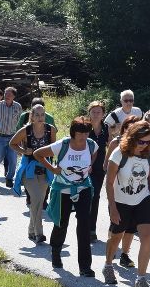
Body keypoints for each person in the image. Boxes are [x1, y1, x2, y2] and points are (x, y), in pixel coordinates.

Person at [34, 117, 98, 277]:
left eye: (86, 133)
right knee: (61, 224)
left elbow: (95, 153)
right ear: (73, 132)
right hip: (63, 189)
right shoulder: (62, 145)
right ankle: (55, 253)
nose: (83, 137)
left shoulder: (91, 144)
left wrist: (89, 166)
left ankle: (85, 266)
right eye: (80, 133)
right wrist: (52, 168)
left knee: (84, 226)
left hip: (83, 188)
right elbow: (38, 153)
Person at [103, 120, 150, 287]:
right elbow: (109, 183)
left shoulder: (149, 153)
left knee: (147, 237)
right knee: (116, 237)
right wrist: (112, 208)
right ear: (132, 137)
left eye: (148, 142)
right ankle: (108, 266)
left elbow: (149, 176)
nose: (144, 145)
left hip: (142, 199)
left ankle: (141, 279)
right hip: (121, 202)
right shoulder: (119, 153)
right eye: (141, 141)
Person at [103, 114, 142, 267]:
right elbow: (106, 165)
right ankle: (110, 254)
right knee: (117, 225)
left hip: (134, 194)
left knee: (131, 227)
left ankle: (125, 255)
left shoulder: (143, 147)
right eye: (129, 127)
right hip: (117, 193)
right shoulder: (116, 143)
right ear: (124, 128)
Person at [11, 105, 53, 245]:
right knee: (35, 200)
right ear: (32, 117)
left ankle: (31, 230)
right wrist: (24, 151)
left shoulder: (50, 129)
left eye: (42, 115)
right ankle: (39, 233)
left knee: (38, 202)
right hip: (29, 170)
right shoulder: (26, 130)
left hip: (45, 170)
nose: (40, 118)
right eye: (37, 115)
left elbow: (54, 148)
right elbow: (12, 144)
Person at [0, 87, 22, 188]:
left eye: (9, 94)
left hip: (12, 137)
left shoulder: (18, 107)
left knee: (13, 160)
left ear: (14, 96)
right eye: (6, 94)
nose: (7, 96)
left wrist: (19, 138)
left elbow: (19, 123)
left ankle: (9, 178)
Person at [86, 100, 109, 241]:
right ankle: (84, 224)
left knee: (95, 197)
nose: (95, 114)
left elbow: (110, 145)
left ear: (103, 114)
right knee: (86, 196)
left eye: (98, 112)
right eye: (93, 112)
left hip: (100, 167)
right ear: (89, 113)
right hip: (83, 166)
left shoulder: (106, 128)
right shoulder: (84, 126)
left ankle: (91, 229)